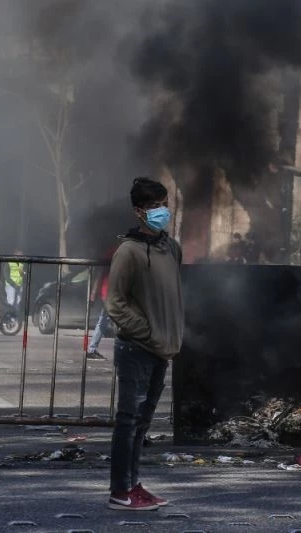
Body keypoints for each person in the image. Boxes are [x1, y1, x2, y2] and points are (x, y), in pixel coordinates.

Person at [105, 177, 184, 511]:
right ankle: (120, 491)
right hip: (136, 349)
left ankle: (134, 485)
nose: (162, 211)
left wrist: (168, 337)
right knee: (128, 422)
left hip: (160, 350)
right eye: (154, 206)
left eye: (164, 204)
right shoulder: (128, 251)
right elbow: (116, 302)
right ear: (139, 211)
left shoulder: (171, 248)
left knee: (142, 424)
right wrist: (148, 333)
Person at [86, 246, 118, 361]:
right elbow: (100, 273)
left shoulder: (113, 251)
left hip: (109, 292)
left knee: (104, 320)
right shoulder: (117, 252)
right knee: (113, 321)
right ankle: (92, 348)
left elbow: (100, 274)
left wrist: (94, 294)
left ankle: (92, 348)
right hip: (112, 292)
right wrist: (93, 294)